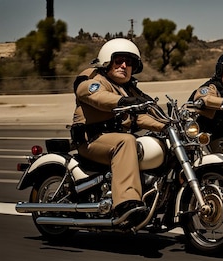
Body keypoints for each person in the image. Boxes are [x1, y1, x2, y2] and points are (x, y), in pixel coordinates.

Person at [70, 38, 167, 226]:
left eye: (129, 62)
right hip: (92, 140)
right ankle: (126, 204)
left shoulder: (128, 90)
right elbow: (95, 96)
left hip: (113, 140)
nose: (124, 66)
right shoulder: (95, 80)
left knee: (158, 143)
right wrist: (123, 102)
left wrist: (165, 125)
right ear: (107, 61)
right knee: (127, 141)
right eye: (119, 61)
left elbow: (141, 116)